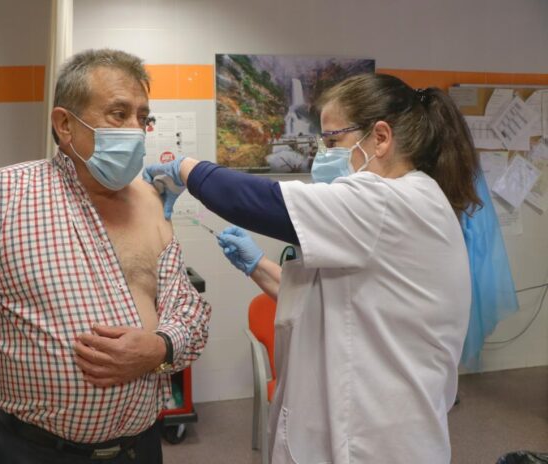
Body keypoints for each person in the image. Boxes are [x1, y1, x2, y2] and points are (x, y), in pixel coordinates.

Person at [144, 73, 480, 463]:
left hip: (379, 439)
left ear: (381, 138)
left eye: (333, 141)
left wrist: (185, 168)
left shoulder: (389, 201)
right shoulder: (402, 203)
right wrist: (258, 266)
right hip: (357, 421)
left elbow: (260, 201)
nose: (323, 155)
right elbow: (335, 300)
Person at [0, 49, 211, 464]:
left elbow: (190, 314)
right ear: (65, 124)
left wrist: (160, 347)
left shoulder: (149, 200)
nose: (136, 130)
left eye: (142, 117)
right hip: (36, 452)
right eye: (118, 114)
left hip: (139, 449)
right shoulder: (3, 196)